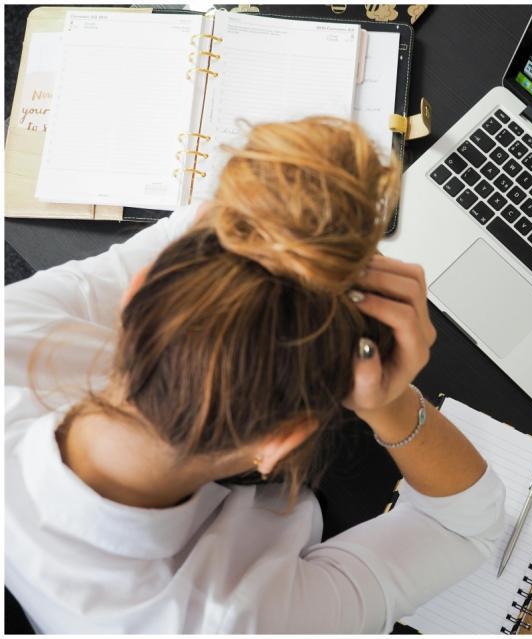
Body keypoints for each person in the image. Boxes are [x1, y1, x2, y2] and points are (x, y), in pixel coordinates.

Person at [5, 118, 506, 633]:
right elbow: (464, 525)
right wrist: (392, 403)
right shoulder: (243, 622)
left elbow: (200, 226)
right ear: (280, 443)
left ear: (134, 295)